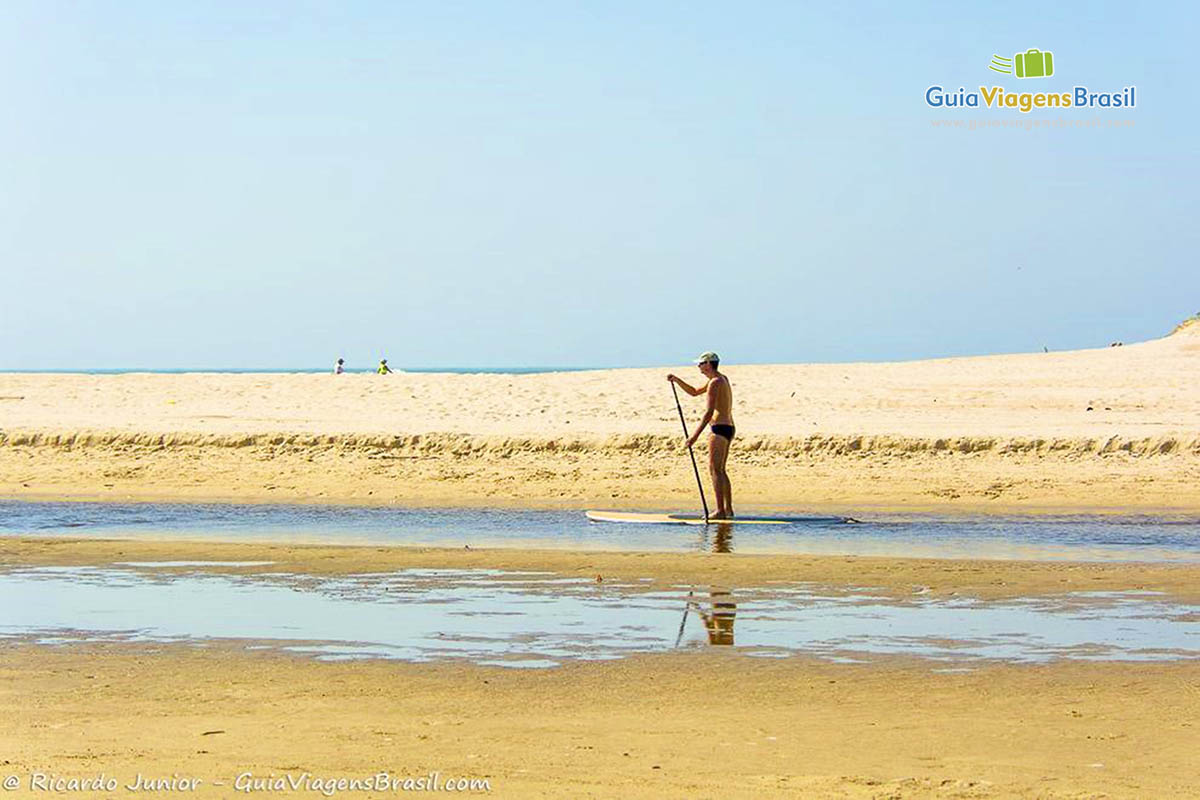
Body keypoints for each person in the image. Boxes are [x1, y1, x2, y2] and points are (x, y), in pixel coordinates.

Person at [667, 351, 735, 519]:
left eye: (701, 364)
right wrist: (676, 380)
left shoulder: (715, 383)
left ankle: (720, 511)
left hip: (719, 429)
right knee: (720, 470)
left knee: (714, 470)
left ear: (709, 364)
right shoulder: (720, 379)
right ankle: (728, 509)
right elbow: (694, 391)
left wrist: (694, 436)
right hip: (729, 428)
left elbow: (708, 412)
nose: (698, 367)